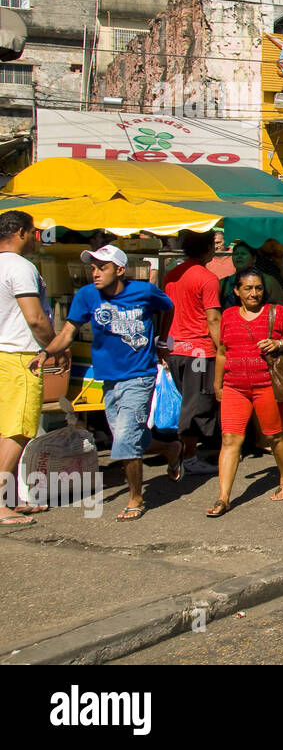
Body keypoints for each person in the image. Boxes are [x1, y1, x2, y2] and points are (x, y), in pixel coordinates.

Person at [39, 245, 183, 522]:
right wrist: (47, 353)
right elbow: (68, 331)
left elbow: (168, 307)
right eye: (92, 267)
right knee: (125, 438)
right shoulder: (86, 295)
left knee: (125, 441)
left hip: (140, 375)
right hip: (107, 377)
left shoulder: (144, 291)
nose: (94, 273)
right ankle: (169, 448)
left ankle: (136, 499)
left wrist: (162, 339)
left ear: (119, 270)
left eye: (101, 267)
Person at [206, 266, 283, 517]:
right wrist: (217, 385)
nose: (254, 293)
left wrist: (279, 343)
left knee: (273, 437)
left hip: (266, 386)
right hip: (234, 387)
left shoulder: (277, 312)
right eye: (248, 288)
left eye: (258, 288)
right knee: (230, 440)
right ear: (237, 291)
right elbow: (221, 352)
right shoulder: (228, 316)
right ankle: (223, 498)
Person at [0, 211, 61, 525]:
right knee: (19, 430)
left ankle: (9, 497)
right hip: (19, 356)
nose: (37, 238)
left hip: (3, 354)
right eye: (34, 232)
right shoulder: (21, 267)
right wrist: (54, 347)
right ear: (21, 232)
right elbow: (35, 318)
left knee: (5, 429)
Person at [162, 230, 221, 476]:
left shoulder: (172, 275)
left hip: (175, 349)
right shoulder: (207, 278)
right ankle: (188, 455)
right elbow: (214, 318)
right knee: (196, 403)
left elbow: (165, 311)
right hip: (198, 352)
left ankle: (188, 451)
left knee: (187, 401)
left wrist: (162, 345)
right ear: (209, 247)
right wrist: (223, 350)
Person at [218, 241, 256, 308]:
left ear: (254, 259)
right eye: (236, 254)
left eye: (243, 254)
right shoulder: (223, 283)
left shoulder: (267, 281)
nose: (239, 257)